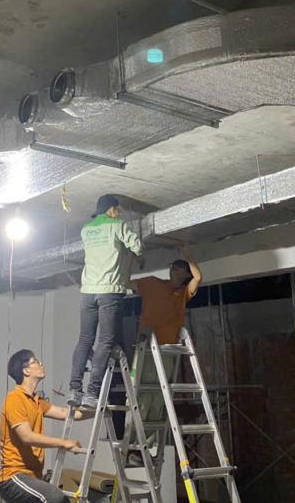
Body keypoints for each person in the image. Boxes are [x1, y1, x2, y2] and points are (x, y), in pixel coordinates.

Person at [125, 244, 202, 461]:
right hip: (146, 348)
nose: (173, 270)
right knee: (141, 397)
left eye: (178, 268)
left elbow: (198, 277)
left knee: (159, 399)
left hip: (167, 351)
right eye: (172, 267)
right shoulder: (152, 283)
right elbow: (125, 283)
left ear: (185, 274)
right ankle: (131, 446)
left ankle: (142, 448)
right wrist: (129, 259)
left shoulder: (182, 294)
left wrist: (187, 253)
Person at [68, 194, 144, 409]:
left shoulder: (86, 230)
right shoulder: (116, 225)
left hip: (88, 291)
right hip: (109, 292)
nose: (118, 214)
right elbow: (137, 247)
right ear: (111, 209)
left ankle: (75, 389)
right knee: (105, 341)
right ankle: (92, 392)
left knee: (84, 339)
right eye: (117, 210)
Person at [0, 349, 93, 503]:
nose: (41, 364)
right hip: (13, 477)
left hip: (33, 477)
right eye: (35, 361)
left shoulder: (36, 401)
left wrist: (98, 410)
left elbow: (65, 413)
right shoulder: (14, 399)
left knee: (64, 501)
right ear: (26, 371)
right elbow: (26, 437)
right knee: (54, 496)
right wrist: (64, 443)